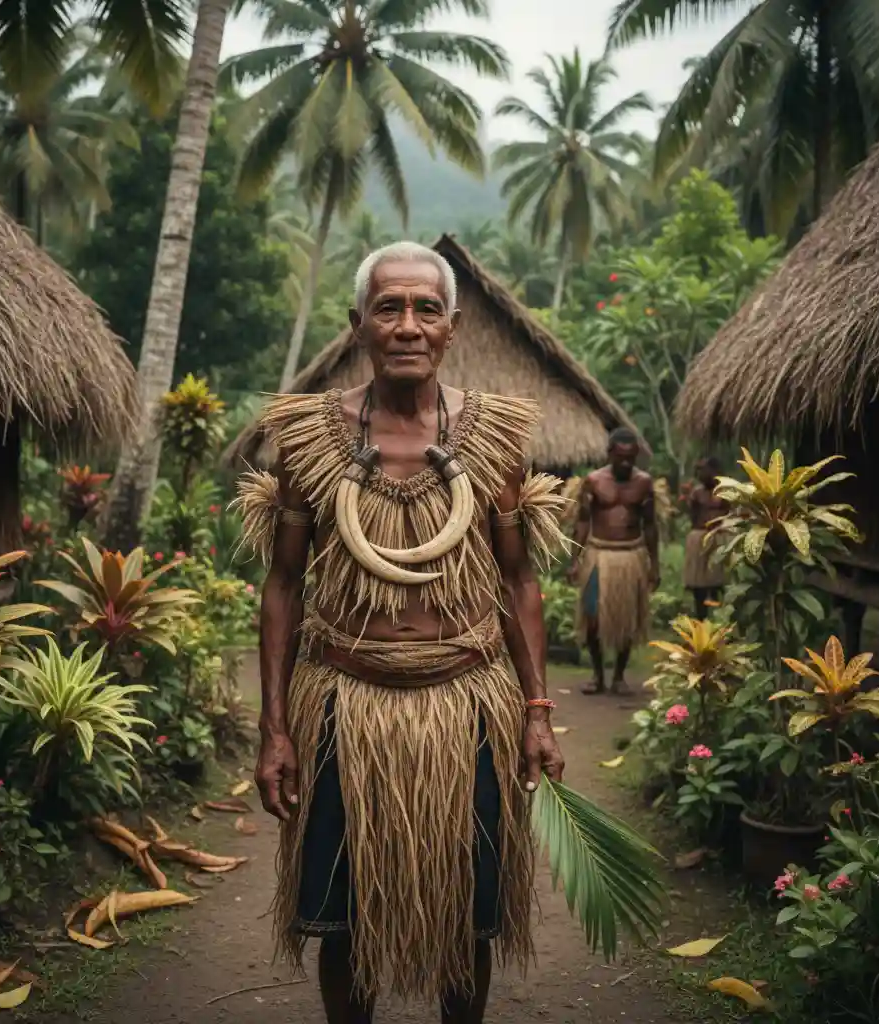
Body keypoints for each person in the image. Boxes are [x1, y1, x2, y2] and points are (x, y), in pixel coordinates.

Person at [235, 241, 570, 1024]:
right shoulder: (306, 439)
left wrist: (537, 709)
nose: (408, 324)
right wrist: (275, 729)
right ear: (358, 325)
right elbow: (283, 585)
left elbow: (520, 582)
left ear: (453, 327)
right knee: (344, 920)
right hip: (344, 707)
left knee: (468, 919)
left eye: (426, 309)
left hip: (467, 705)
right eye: (389, 307)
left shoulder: (497, 438)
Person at [571, 428, 659, 695]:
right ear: (610, 453)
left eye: (630, 458)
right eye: (620, 457)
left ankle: (619, 676)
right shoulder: (594, 481)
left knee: (627, 619)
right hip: (599, 555)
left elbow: (651, 525)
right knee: (592, 617)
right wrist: (575, 559)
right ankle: (598, 676)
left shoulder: (644, 483)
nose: (625, 463)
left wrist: (654, 564)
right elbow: (583, 521)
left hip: (631, 556)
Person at [684, 456, 729, 619]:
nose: (700, 474)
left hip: (720, 537)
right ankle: (700, 617)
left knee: (719, 581)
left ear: (714, 472)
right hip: (699, 538)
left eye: (703, 470)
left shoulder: (727, 492)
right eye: (698, 470)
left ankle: (722, 619)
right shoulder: (696, 493)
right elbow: (693, 516)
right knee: (699, 583)